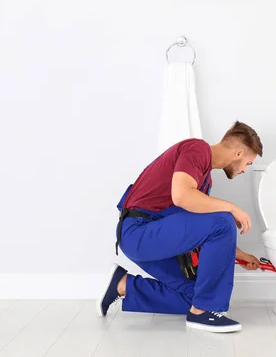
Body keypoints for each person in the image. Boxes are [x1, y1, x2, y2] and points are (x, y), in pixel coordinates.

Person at [97, 121, 264, 333]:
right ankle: (204, 312)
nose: (244, 170)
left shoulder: (204, 181)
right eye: (248, 164)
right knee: (223, 219)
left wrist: (238, 254)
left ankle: (122, 285)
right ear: (239, 153)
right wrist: (232, 208)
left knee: (195, 295)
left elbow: (201, 233)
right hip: (139, 232)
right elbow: (181, 196)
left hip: (155, 237)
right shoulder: (197, 149)